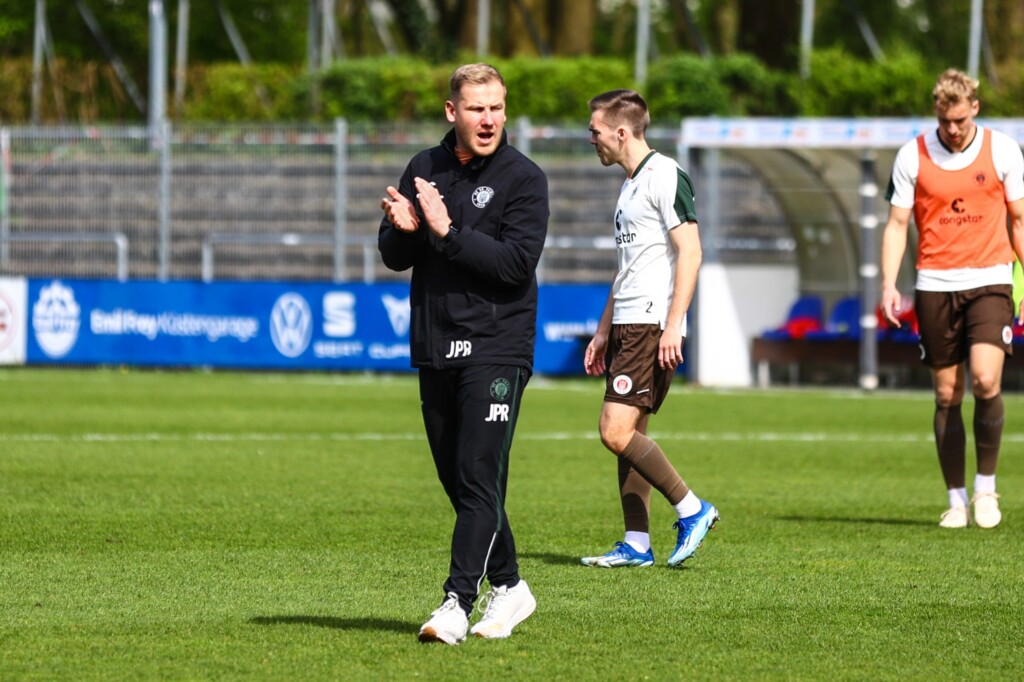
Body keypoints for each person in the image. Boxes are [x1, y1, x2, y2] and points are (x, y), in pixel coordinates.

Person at [378, 63, 549, 644]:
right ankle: (512, 587)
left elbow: (513, 266)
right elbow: (395, 255)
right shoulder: (424, 166)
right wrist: (404, 229)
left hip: (497, 346)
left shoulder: (524, 178)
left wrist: (449, 232)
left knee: (477, 474)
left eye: (497, 107)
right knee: (461, 481)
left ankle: (457, 602)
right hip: (435, 344)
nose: (489, 119)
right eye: (477, 108)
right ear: (452, 111)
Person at [880, 68, 1024, 529]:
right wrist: (888, 283)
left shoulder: (1002, 149)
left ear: (974, 109)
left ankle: (986, 489)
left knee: (985, 379)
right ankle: (956, 499)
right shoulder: (912, 155)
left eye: (960, 120)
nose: (953, 130)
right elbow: (898, 225)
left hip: (990, 280)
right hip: (935, 285)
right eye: (945, 121)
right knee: (947, 392)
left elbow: (1019, 221)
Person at [580, 89, 718, 569]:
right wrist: (602, 331)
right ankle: (636, 542)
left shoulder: (665, 174)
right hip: (625, 323)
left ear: (621, 132)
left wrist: (673, 325)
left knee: (613, 431)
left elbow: (692, 251)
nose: (590, 139)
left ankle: (692, 508)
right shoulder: (630, 183)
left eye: (594, 131)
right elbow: (628, 268)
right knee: (631, 430)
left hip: (649, 323)